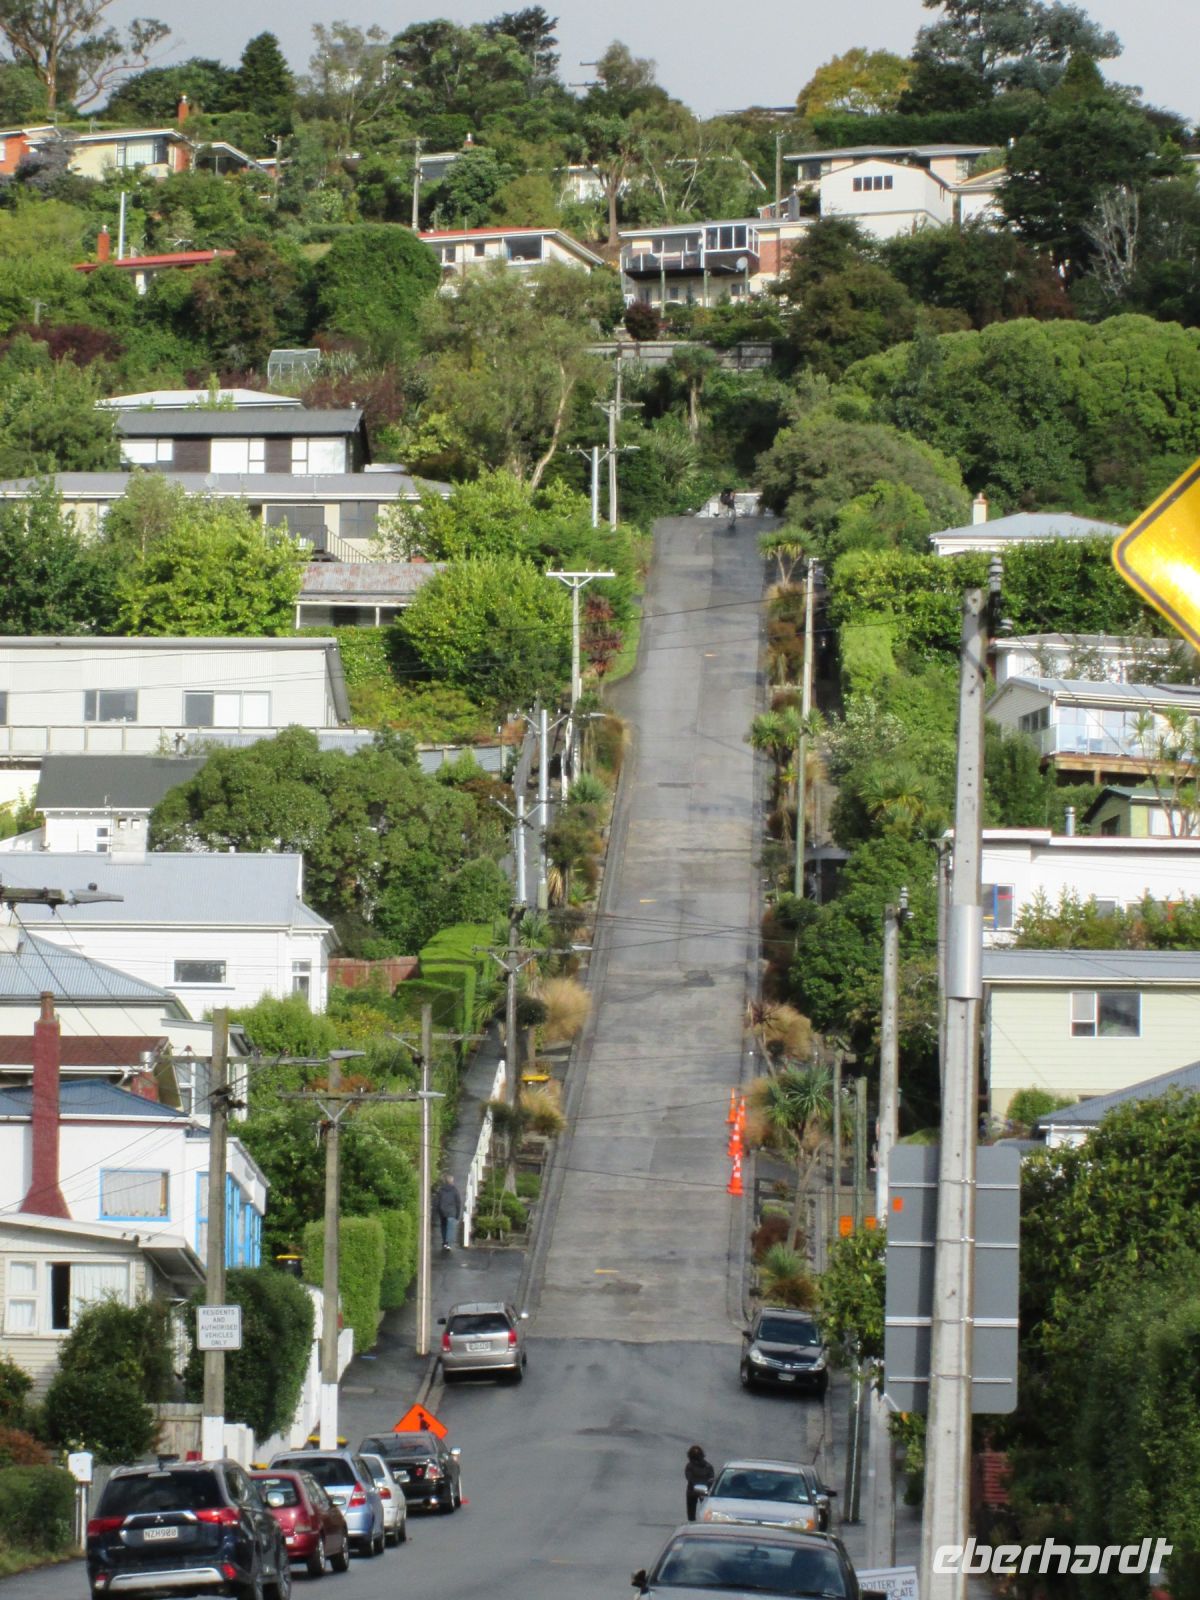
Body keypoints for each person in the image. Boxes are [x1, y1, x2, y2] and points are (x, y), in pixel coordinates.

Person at [684, 1444, 715, 1521]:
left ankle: (692, 1524)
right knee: (706, 1511)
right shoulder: (708, 1466)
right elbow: (711, 1479)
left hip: (693, 1491)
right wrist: (705, 1487)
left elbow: (689, 1478)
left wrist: (698, 1487)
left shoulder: (689, 1466)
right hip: (703, 1491)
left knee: (692, 1514)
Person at [434, 1173, 462, 1251]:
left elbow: (437, 1201)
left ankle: (444, 1242)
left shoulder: (441, 1190)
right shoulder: (455, 1190)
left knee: (443, 1226)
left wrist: (437, 1211)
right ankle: (448, 1243)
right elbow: (458, 1203)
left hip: (442, 1211)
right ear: (452, 1181)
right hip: (451, 1212)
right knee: (450, 1228)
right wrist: (457, 1215)